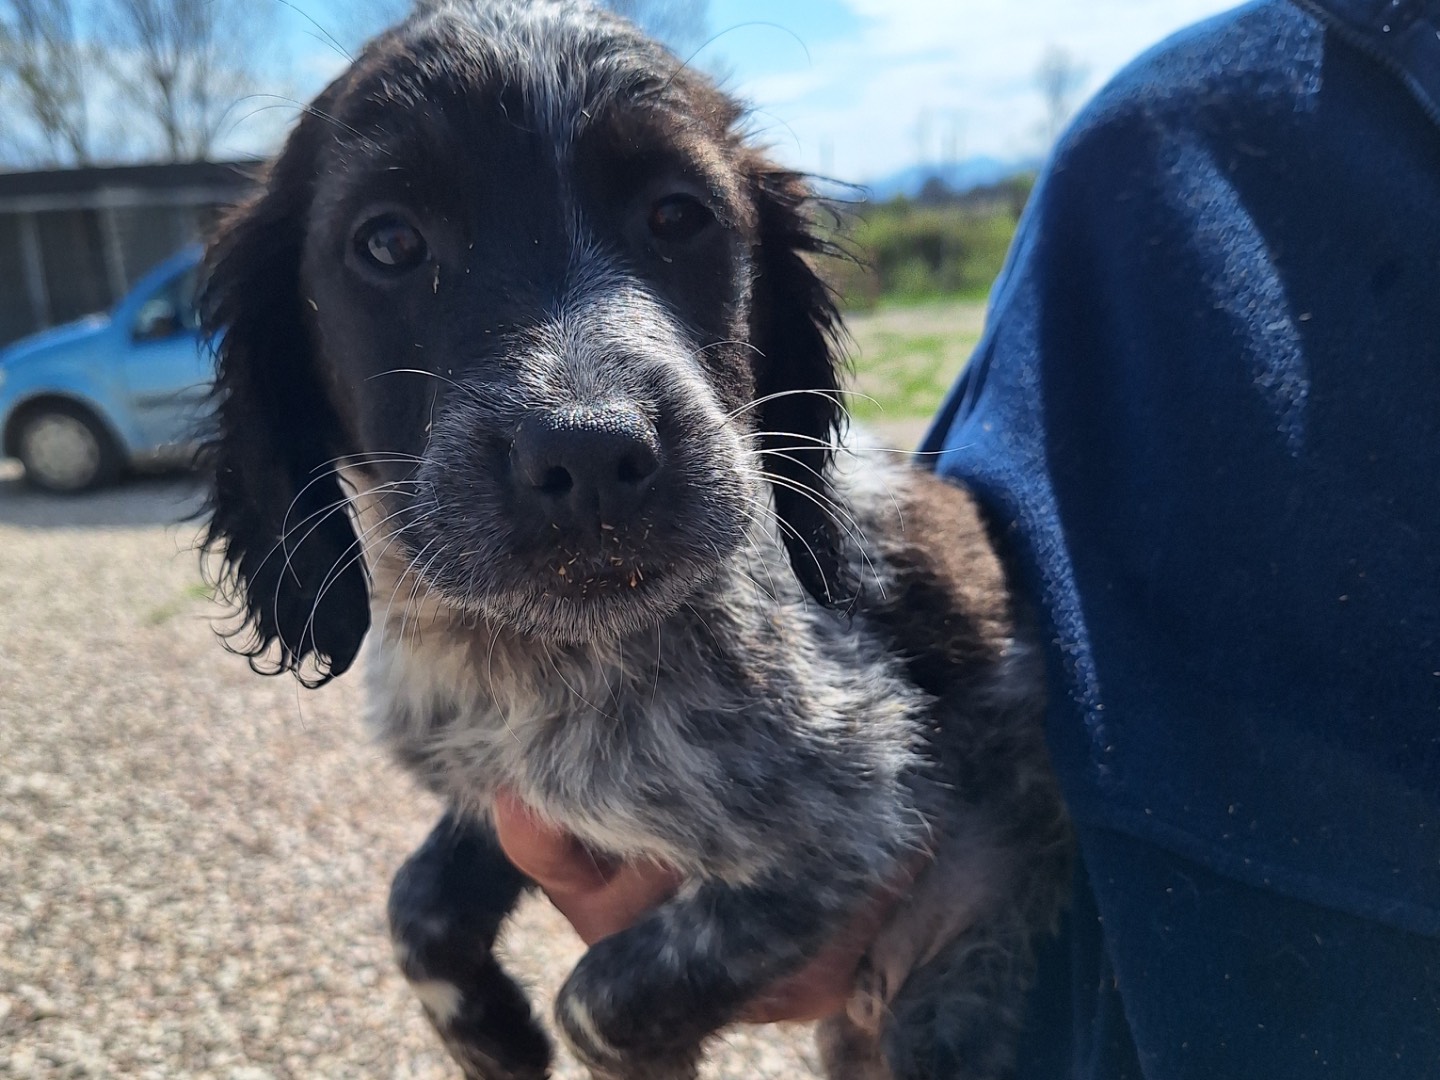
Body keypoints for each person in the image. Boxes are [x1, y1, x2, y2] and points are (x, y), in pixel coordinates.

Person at [495, 0, 1440, 1073]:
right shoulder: (1161, 135)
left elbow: (886, 757)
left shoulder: (1173, 130)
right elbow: (966, 568)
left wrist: (828, 895)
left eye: (678, 217)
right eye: (392, 249)